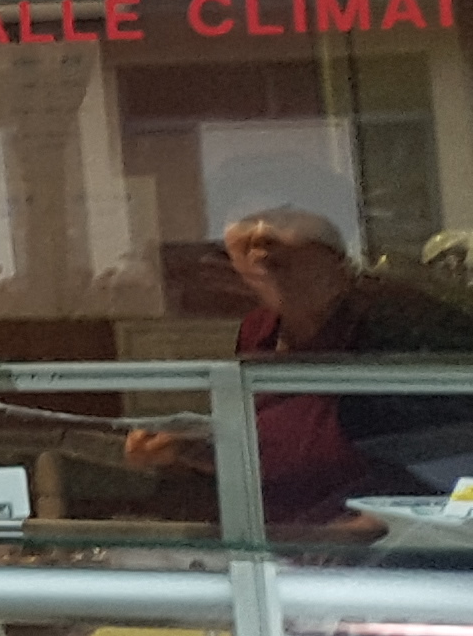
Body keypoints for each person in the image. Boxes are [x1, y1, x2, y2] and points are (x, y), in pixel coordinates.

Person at [128, 211, 473, 521]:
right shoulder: (259, 330)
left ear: (337, 250)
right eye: (244, 220)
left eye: (283, 218)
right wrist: (196, 451)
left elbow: (446, 476)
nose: (259, 236)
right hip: (285, 548)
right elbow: (282, 453)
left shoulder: (403, 326)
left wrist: (344, 536)